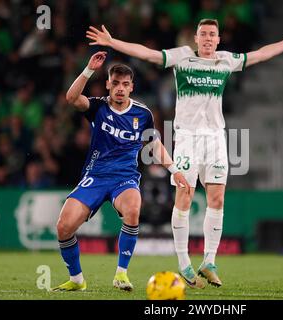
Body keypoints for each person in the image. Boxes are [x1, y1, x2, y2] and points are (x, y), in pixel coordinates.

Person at [86, 19, 283, 288]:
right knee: (184, 194)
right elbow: (147, 53)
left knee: (217, 198)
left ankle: (208, 261)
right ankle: (184, 263)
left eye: (212, 34)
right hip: (186, 138)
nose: (208, 38)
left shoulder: (225, 60)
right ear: (195, 39)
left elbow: (260, 54)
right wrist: (112, 42)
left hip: (216, 138)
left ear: (218, 40)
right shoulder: (182, 57)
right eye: (203, 34)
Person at [52, 51, 190, 292]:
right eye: (115, 83)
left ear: (131, 87)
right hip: (94, 177)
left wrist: (175, 170)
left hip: (124, 178)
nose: (119, 88)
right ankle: (76, 280)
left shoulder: (142, 114)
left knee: (133, 210)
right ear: (107, 84)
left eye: (125, 84)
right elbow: (72, 98)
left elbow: (154, 144)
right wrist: (88, 70)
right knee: (63, 227)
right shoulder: (97, 107)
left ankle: (121, 274)